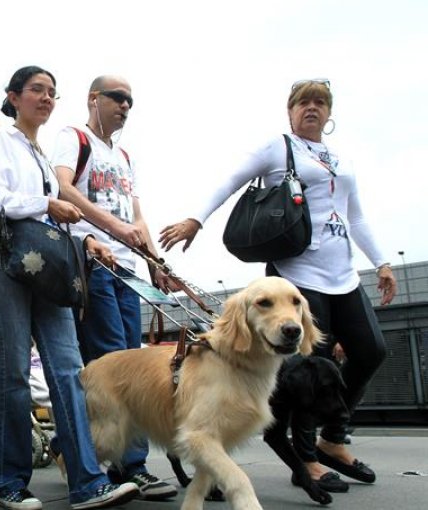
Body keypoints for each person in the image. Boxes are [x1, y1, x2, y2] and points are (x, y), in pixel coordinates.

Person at [159, 79, 397, 489]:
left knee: (371, 351)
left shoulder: (340, 161)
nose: (312, 108)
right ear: (290, 111)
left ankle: (333, 439)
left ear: (329, 113)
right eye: (303, 102)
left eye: (320, 103)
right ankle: (306, 460)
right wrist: (195, 220)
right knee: (310, 368)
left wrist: (382, 263)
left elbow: (355, 217)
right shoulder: (278, 147)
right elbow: (230, 180)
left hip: (343, 275)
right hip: (296, 278)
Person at [0, 65, 139, 510]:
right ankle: (8, 483)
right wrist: (46, 202)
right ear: (13, 96)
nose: (46, 98)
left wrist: (84, 238)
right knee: (12, 371)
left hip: (45, 270)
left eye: (52, 93)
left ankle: (87, 480)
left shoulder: (42, 154)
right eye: (36, 91)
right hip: (0, 261)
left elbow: (50, 221)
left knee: (69, 369)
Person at [50, 75, 178, 502]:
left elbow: (137, 215)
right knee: (115, 368)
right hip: (93, 263)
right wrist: (111, 228)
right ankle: (132, 466)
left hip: (129, 272)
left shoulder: (122, 156)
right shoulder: (73, 138)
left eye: (130, 101)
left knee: (133, 363)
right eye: (117, 97)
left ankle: (75, 446)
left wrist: (155, 262)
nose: (125, 106)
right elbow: (63, 187)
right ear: (94, 99)